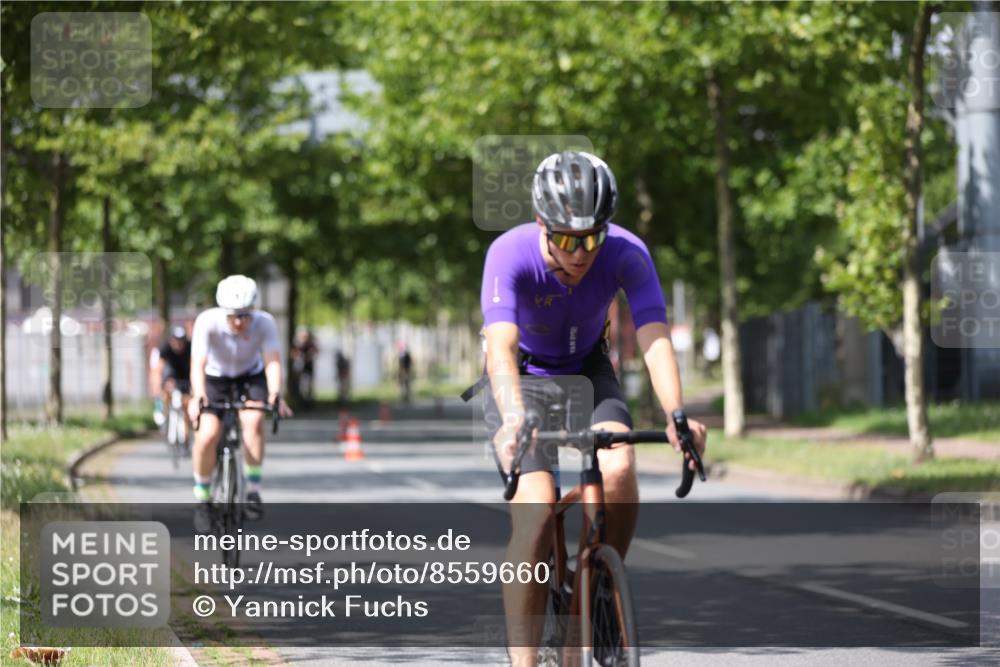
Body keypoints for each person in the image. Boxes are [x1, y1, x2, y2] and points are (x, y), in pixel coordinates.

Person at [476, 151, 708, 663]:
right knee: (536, 513)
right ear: (541, 223)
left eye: (592, 237)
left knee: (619, 466)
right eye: (566, 239)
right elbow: (501, 347)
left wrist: (676, 414)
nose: (581, 253)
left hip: (587, 368)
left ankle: (596, 588)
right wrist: (513, 417)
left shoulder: (627, 251)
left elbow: (654, 336)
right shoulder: (508, 253)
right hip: (524, 377)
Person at [186, 275, 293, 532]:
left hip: (249, 376)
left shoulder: (265, 322)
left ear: (253, 310)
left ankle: (253, 491)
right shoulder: (207, 321)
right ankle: (203, 499)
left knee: (254, 420)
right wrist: (198, 395)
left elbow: (272, 361)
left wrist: (274, 393)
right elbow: (198, 363)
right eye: (233, 316)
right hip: (215, 377)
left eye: (245, 316)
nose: (238, 322)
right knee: (207, 434)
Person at [152, 325, 193, 434]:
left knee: (187, 403)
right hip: (170, 374)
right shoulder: (165, 348)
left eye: (181, 341)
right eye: (176, 340)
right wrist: (157, 386)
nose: (179, 344)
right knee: (165, 392)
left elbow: (195, 367)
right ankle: (162, 411)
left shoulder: (190, 348)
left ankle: (186, 434)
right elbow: (158, 369)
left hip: (185, 376)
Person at [291, 329, 319, 402]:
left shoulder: (310, 345)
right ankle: (303, 399)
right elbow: (294, 354)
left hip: (308, 368)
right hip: (302, 369)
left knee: (308, 385)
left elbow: (317, 351)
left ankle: (308, 400)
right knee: (303, 385)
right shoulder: (300, 346)